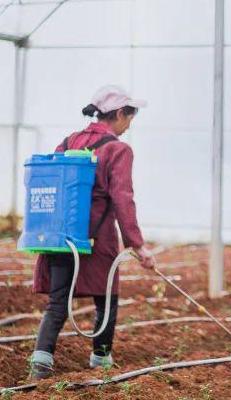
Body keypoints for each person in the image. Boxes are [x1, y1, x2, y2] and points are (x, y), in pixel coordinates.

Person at [29, 85, 156, 379]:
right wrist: (138, 245)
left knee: (58, 302)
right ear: (120, 113)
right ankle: (100, 360)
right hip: (99, 238)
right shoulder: (118, 149)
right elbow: (123, 198)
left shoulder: (68, 141)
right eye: (130, 116)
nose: (130, 124)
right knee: (107, 297)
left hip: (62, 235)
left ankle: (40, 364)